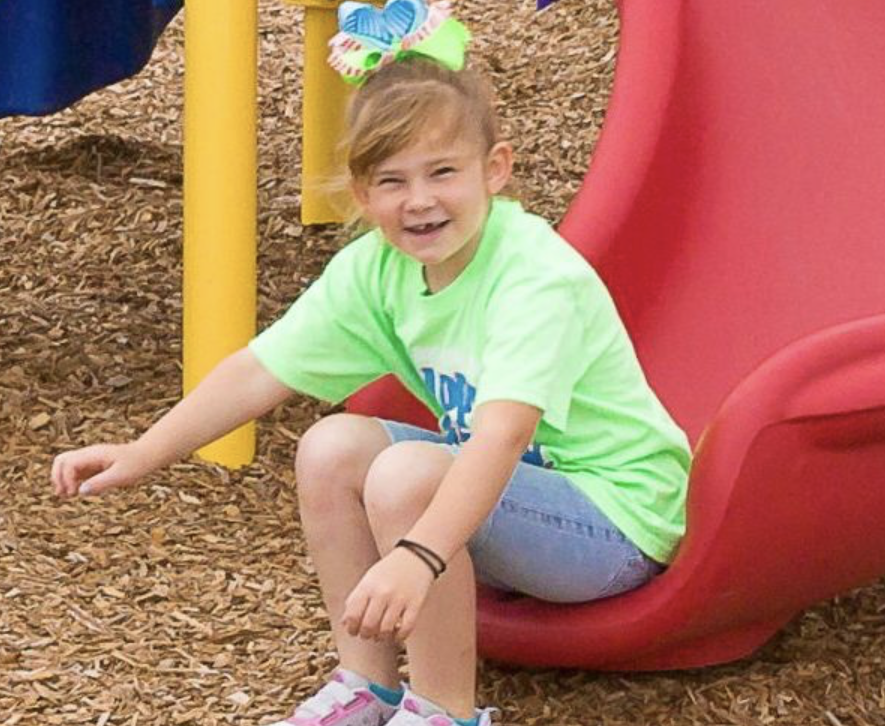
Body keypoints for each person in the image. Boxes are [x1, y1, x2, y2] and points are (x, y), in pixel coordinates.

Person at [51, 2, 691, 724]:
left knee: (407, 472)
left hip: (615, 523)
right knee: (329, 446)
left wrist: (418, 558)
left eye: (443, 172)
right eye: (391, 181)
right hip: (518, 502)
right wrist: (143, 452)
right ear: (362, 194)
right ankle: (367, 686)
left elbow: (503, 436)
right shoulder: (377, 270)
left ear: (495, 169)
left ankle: (444, 711)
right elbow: (260, 371)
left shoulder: (532, 275)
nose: (419, 201)